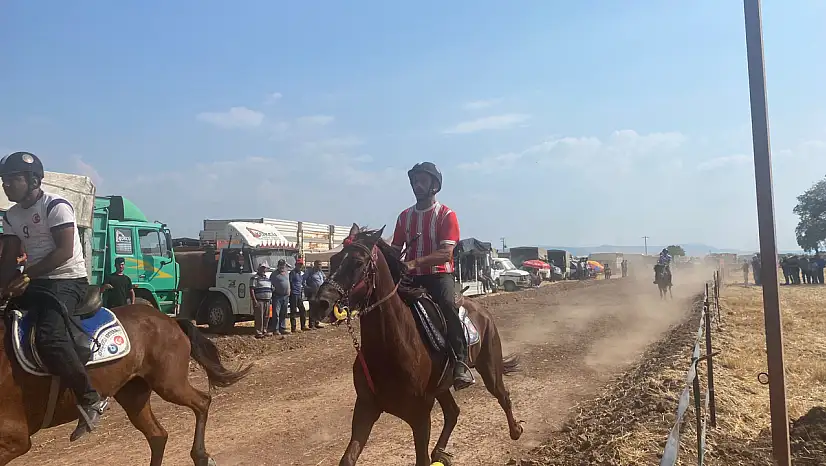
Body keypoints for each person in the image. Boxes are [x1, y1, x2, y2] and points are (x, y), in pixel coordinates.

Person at [0, 151, 108, 441]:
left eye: (13, 180)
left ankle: (89, 397)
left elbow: (63, 251)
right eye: (4, 181)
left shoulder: (56, 206)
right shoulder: (11, 215)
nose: (6, 186)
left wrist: (27, 276)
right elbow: (8, 257)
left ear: (33, 180)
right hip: (35, 278)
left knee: (50, 335)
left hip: (67, 279)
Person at [391, 161, 474, 390]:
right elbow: (395, 250)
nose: (417, 185)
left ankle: (460, 361)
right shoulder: (404, 217)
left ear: (434, 186)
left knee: (447, 305)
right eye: (414, 181)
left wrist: (414, 262)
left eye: (422, 181)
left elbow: (446, 253)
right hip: (411, 277)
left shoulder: (447, 215)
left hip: (438, 276)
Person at [267, 259, 291, 335]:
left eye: (283, 265)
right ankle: (276, 329)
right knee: (276, 313)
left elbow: (288, 282)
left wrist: (289, 290)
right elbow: (270, 284)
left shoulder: (287, 272)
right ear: (278, 265)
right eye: (280, 265)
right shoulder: (274, 274)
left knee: (283, 313)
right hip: (277, 296)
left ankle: (282, 328)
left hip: (286, 296)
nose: (282, 266)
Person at [250, 262, 273, 338]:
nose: (263, 270)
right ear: (259, 268)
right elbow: (252, 289)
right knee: (259, 317)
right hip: (259, 300)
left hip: (267, 300)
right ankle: (259, 332)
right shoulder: (254, 278)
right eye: (262, 268)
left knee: (266, 316)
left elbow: (271, 287)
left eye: (264, 268)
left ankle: (264, 331)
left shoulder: (267, 278)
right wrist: (254, 300)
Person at [303, 260, 325, 329]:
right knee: (312, 308)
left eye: (320, 264)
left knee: (318, 308)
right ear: (315, 265)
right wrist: (307, 287)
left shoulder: (320, 272)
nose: (320, 266)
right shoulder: (309, 272)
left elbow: (324, 279)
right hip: (312, 293)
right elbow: (303, 280)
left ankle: (316, 323)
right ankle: (311, 324)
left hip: (320, 293)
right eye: (318, 264)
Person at [289, 258, 309, 331]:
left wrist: (307, 288)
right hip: (293, 294)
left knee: (302, 310)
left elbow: (303, 283)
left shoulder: (301, 274)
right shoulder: (292, 273)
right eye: (298, 265)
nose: (300, 266)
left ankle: (303, 326)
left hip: (299, 294)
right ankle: (293, 328)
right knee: (293, 311)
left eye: (301, 265)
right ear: (295, 265)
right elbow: (290, 283)